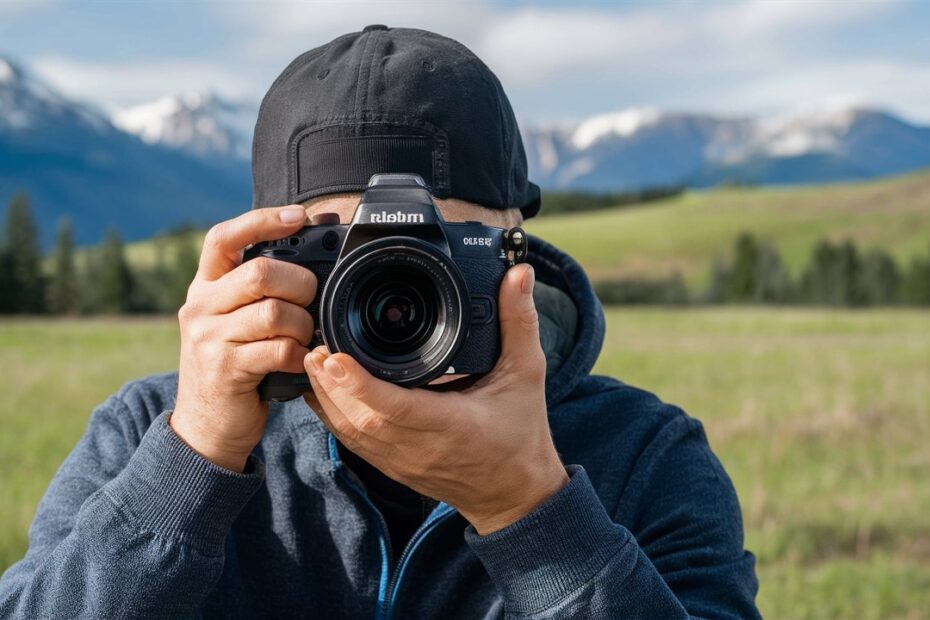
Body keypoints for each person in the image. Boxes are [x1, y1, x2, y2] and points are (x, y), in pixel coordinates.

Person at [0, 26, 759, 618]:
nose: (391, 291)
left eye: (435, 248)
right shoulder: (149, 431)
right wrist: (191, 459)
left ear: (513, 250)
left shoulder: (645, 455)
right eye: (339, 253)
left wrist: (529, 509)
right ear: (256, 257)